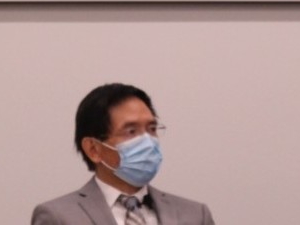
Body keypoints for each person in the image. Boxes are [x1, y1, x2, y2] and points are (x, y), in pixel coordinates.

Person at [33, 83, 215, 225]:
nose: (148, 142)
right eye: (131, 131)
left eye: (152, 129)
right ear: (93, 149)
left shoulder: (195, 215)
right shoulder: (58, 216)